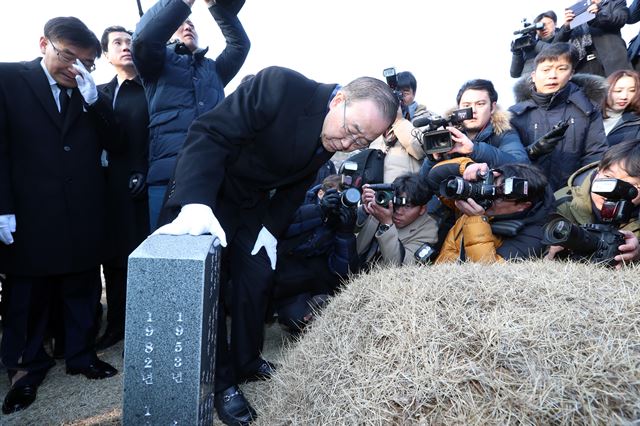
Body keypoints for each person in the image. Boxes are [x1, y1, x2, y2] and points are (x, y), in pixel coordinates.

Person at [154, 66, 399, 425]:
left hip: (250, 204)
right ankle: (222, 385)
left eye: (360, 143)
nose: (347, 145)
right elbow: (210, 133)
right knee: (211, 288)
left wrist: (270, 229)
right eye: (350, 131)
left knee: (258, 276)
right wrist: (195, 202)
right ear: (339, 99)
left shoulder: (332, 134)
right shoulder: (279, 87)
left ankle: (247, 360)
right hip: (207, 190)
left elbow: (295, 186)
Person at [0, 16, 119, 415]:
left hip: (82, 207)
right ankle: (24, 369)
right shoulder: (8, 78)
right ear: (43, 44)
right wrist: (3, 207)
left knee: (82, 285)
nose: (75, 69)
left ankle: (81, 355)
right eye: (68, 57)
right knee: (27, 293)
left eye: (86, 63)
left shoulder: (89, 92)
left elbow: (116, 141)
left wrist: (94, 101)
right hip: (29, 208)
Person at [132, 0, 250, 230]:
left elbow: (239, 45)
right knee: (163, 252)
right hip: (168, 175)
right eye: (180, 24)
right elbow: (145, 40)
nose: (188, 27)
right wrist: (185, 3)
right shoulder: (155, 65)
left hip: (214, 173)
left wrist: (214, 6)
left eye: (192, 25)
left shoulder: (213, 69)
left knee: (212, 251)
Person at [96, 25, 151, 350]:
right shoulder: (98, 92)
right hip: (104, 187)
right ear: (105, 54)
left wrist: (142, 169)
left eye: (130, 41)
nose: (126, 46)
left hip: (139, 184)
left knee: (139, 257)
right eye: (117, 42)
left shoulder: (148, 88)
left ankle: (142, 325)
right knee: (112, 260)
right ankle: (114, 324)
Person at [509, 42, 609, 191]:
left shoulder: (588, 110)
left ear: (571, 74)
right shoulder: (515, 115)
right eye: (546, 70)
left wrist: (576, 192)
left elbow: (595, 157)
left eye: (562, 69)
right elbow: (508, 161)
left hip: (573, 198)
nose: (553, 76)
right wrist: (532, 152)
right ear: (534, 76)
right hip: (527, 199)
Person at [272, 174, 358, 333]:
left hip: (312, 281)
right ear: (320, 193)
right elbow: (281, 228)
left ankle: (319, 304)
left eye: (343, 198)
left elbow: (343, 271)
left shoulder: (341, 219)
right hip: (282, 274)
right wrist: (320, 211)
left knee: (299, 320)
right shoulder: (300, 201)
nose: (339, 203)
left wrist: (346, 233)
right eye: (335, 196)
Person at [429, 160, 553, 263]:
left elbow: (490, 275)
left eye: (498, 197)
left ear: (522, 206)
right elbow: (434, 178)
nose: (488, 196)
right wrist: (467, 168)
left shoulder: (533, 237)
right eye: (491, 185)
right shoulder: (478, 200)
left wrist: (476, 219)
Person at [545, 140, 640, 268]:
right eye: (607, 177)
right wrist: (550, 255)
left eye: (630, 186)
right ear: (598, 171)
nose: (612, 190)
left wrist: (637, 252)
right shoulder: (561, 204)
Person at [419, 78, 529, 177]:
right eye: (466, 106)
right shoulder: (446, 133)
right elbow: (423, 186)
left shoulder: (504, 132)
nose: (472, 111)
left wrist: (474, 149)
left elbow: (523, 167)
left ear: (492, 107)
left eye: (480, 104)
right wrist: (432, 159)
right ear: (458, 108)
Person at [356, 173, 438, 266]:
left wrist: (386, 225)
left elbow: (401, 267)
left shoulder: (429, 231)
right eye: (397, 203)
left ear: (422, 209)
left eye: (407, 206)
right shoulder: (382, 207)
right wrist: (364, 210)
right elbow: (349, 233)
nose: (399, 211)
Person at [554, 0, 631, 77]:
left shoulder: (615, 3)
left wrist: (597, 14)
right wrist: (567, 26)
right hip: (581, 68)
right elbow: (555, 45)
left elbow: (619, 19)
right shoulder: (577, 10)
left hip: (609, 62)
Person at [510, 10, 557, 78]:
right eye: (539, 26)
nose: (544, 28)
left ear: (555, 23)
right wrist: (516, 53)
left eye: (548, 23)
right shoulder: (528, 45)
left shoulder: (564, 37)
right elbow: (515, 74)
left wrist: (536, 44)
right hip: (530, 86)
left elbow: (559, 53)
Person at [601, 69, 640, 146]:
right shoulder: (589, 114)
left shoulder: (636, 121)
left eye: (632, 91)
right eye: (618, 91)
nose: (624, 96)